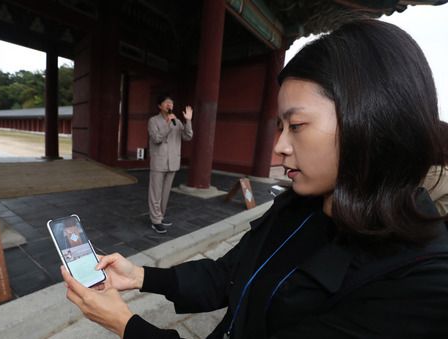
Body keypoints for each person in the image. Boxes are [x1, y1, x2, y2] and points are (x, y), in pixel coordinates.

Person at [60, 19, 448, 338]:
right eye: (280, 126)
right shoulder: (300, 202)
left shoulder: (421, 284)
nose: (278, 146)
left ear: (372, 122)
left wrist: (125, 324)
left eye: (296, 125)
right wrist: (140, 276)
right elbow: (228, 274)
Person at [147, 94, 193, 233]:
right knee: (155, 192)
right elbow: (156, 139)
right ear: (160, 106)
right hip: (159, 161)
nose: (170, 105)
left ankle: (160, 216)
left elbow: (187, 136)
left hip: (173, 162)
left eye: (171, 103)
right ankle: (155, 221)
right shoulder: (153, 121)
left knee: (165, 193)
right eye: (167, 103)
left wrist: (188, 121)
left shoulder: (177, 122)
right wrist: (167, 124)